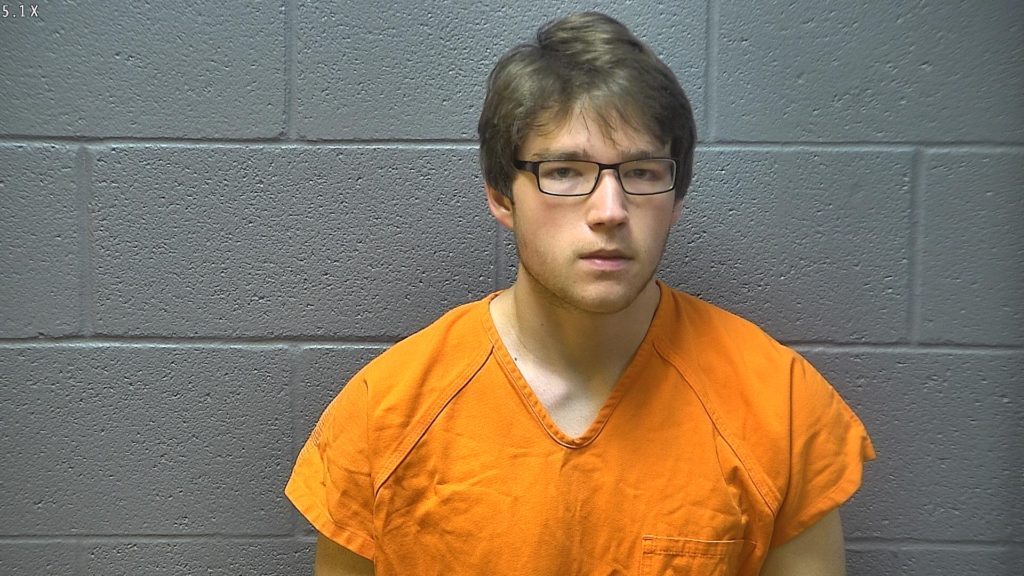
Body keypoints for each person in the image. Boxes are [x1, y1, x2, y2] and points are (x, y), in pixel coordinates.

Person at [286, 11, 874, 575]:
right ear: (501, 196)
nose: (610, 211)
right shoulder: (384, 416)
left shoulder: (780, 407)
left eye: (642, 173)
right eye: (565, 172)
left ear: (676, 199)